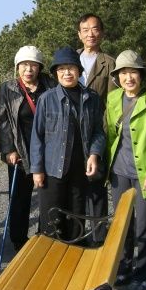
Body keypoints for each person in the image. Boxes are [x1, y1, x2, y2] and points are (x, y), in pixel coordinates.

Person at [105, 50, 146, 290]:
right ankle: (124, 268)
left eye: (133, 72)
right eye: (123, 73)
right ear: (117, 77)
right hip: (119, 172)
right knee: (122, 225)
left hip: (145, 175)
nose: (128, 77)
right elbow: (110, 135)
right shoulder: (113, 99)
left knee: (144, 226)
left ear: (141, 75)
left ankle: (143, 274)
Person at [30, 47, 105, 242]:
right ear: (56, 73)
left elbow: (98, 131)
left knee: (76, 216)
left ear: (79, 71)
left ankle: (75, 252)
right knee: (51, 218)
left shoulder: (92, 98)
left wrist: (94, 154)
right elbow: (37, 137)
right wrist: (37, 169)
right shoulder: (47, 99)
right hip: (52, 169)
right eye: (61, 69)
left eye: (71, 68)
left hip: (80, 169)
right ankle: (51, 255)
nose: (66, 73)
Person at [0, 46, 56, 252]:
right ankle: (18, 240)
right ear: (17, 67)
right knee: (19, 199)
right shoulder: (8, 88)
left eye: (33, 65)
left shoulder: (51, 86)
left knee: (47, 197)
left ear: (40, 67)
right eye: (24, 65)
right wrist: (9, 149)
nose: (28, 69)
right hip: (20, 152)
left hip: (47, 152)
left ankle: (45, 236)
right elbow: (3, 121)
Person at [76, 13, 116, 243]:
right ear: (79, 34)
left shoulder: (109, 63)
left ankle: (99, 237)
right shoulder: (70, 59)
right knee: (75, 187)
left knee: (96, 186)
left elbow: (112, 103)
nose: (90, 34)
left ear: (102, 32)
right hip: (72, 132)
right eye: (85, 30)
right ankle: (77, 235)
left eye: (95, 29)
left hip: (96, 131)